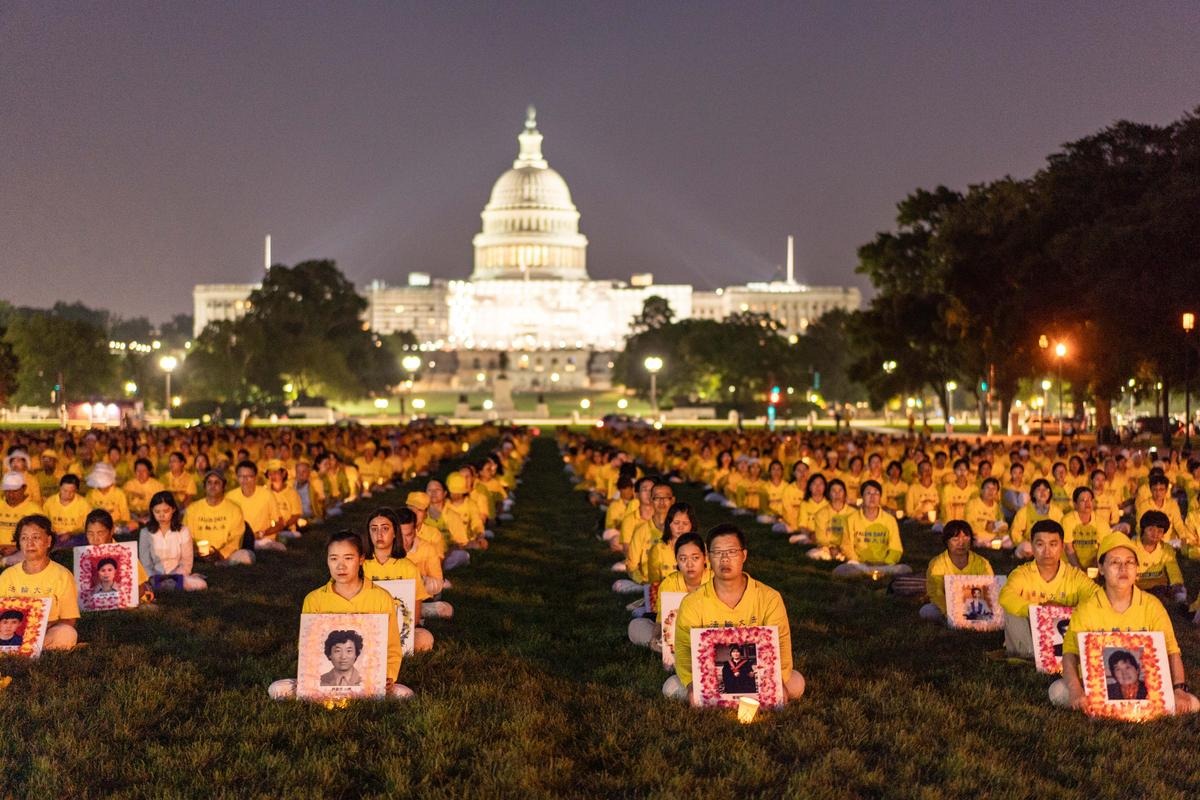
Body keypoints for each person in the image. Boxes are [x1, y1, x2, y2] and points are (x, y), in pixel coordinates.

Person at [1049, 532, 1200, 713]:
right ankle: (1104, 705)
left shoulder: (1152, 605)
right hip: (1095, 686)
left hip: (1149, 688)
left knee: (1193, 704)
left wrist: (1179, 688)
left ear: (1137, 568)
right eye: (1115, 562)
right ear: (1101, 568)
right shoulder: (1087, 608)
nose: (1123, 568)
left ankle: (1127, 707)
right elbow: (1069, 654)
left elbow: (1172, 651)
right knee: (1058, 691)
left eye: (1129, 562)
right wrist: (1075, 690)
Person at [664, 523, 805, 703]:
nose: (724, 559)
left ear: (744, 555)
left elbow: (781, 645)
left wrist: (777, 680)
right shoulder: (692, 602)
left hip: (760, 679)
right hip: (710, 680)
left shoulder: (769, 597)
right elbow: (683, 649)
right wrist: (692, 684)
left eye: (731, 552)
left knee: (796, 681)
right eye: (717, 552)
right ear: (708, 557)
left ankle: (738, 698)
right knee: (670, 687)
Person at [268, 530, 410, 700]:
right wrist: (309, 678)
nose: (340, 566)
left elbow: (392, 646)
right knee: (277, 689)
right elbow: (308, 648)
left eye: (348, 558)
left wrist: (387, 676)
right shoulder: (315, 599)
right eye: (334, 559)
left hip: (369, 680)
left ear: (361, 559)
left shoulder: (381, 597)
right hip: (325, 682)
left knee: (405, 694)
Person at [998, 519, 1097, 658]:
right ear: (1032, 547)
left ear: (1062, 546)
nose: (1047, 551)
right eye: (1040, 544)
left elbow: (1097, 597)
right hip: (1029, 639)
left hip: (1065, 640)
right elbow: (1005, 596)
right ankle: (1027, 655)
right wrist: (1039, 610)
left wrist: (1062, 611)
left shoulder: (1075, 576)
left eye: (1053, 544)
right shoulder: (1022, 573)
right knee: (1011, 610)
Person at [0, 515, 80, 649]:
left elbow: (69, 619)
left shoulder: (63, 575)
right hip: (10, 632)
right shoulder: (7, 576)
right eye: (24, 538)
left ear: (48, 541)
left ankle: (25, 649)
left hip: (46, 633)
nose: (29, 543)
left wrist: (43, 626)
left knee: (66, 633)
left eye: (36, 537)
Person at [363, 507, 434, 652]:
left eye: (385, 528)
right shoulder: (361, 566)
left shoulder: (408, 567)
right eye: (374, 529)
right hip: (368, 626)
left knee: (424, 639)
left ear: (395, 532)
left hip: (400, 626)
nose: (379, 534)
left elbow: (416, 607)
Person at [919, 520, 994, 622]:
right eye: (955, 539)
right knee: (927, 611)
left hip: (976, 605)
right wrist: (949, 612)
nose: (961, 543)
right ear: (946, 541)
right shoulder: (937, 563)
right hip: (948, 604)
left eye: (965, 538)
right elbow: (935, 592)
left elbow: (990, 588)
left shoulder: (982, 563)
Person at [832, 481, 910, 578]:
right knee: (840, 570)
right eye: (868, 493)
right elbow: (846, 546)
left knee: (905, 569)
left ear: (880, 497)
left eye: (876, 493)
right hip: (860, 564)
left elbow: (896, 548)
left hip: (884, 564)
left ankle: (872, 572)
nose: (872, 497)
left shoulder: (890, 520)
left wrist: (887, 562)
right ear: (862, 497)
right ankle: (871, 572)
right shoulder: (851, 519)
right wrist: (857, 561)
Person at [139, 491, 207, 591]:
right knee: (145, 585)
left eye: (166, 511)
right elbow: (146, 564)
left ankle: (172, 585)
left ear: (173, 509)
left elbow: (186, 562)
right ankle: (164, 586)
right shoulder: (145, 533)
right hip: (154, 577)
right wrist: (154, 577)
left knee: (201, 584)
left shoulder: (183, 531)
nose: (161, 515)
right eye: (157, 512)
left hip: (178, 576)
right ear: (152, 511)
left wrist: (174, 576)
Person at [184, 470, 255, 565]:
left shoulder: (234, 509)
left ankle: (220, 563)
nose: (212, 486)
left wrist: (220, 554)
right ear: (204, 486)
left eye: (217, 482)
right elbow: (186, 536)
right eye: (209, 482)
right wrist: (196, 551)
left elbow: (236, 539)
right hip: (197, 554)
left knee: (247, 556)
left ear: (223, 487)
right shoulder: (192, 509)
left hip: (225, 556)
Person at [84, 508, 153, 603]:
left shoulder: (125, 553)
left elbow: (140, 587)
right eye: (90, 533)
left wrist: (124, 602)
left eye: (100, 533)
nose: (95, 539)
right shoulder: (84, 556)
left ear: (112, 531)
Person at [1131, 510, 1185, 605]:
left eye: (1160, 531)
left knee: (1163, 600)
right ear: (1143, 529)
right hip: (1135, 587)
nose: (1155, 534)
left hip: (1158, 587)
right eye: (1151, 529)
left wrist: (1177, 584)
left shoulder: (1166, 549)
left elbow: (1173, 569)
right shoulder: (1131, 546)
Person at [0, 472, 43, 566]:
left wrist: (17, 547)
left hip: (22, 551)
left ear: (24, 488)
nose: (11, 495)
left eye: (15, 491)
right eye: (7, 491)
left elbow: (41, 537)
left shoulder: (34, 510)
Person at [44, 474, 92, 547]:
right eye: (65, 490)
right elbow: (44, 523)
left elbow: (88, 526)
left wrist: (71, 533)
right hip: (54, 536)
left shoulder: (84, 504)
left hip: (76, 537)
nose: (67, 494)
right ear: (60, 487)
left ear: (76, 490)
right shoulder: (50, 502)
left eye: (71, 491)